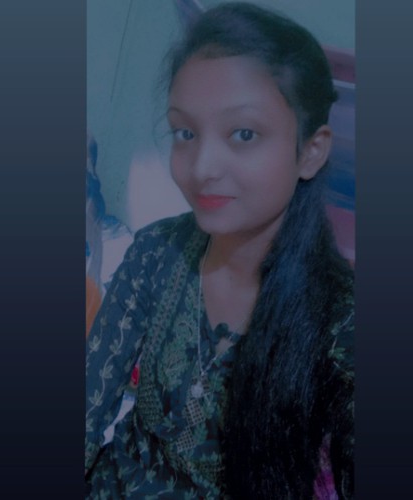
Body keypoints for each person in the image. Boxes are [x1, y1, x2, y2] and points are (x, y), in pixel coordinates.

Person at [85, 3, 354, 498]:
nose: (202, 166)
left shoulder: (341, 318)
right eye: (185, 133)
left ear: (310, 151)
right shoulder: (156, 254)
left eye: (243, 134)